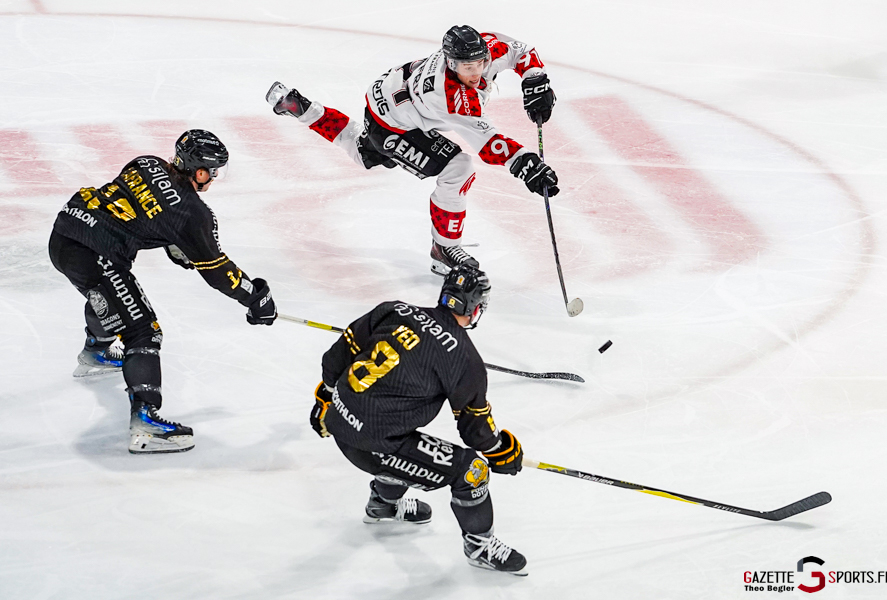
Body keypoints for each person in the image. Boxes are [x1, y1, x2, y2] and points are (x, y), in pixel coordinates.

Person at [49, 130, 277, 454]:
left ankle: (96, 351)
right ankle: (145, 422)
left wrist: (174, 242)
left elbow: (147, 210)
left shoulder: (147, 163)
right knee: (143, 329)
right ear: (200, 172)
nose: (213, 179)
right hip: (92, 253)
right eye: (213, 172)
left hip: (64, 232)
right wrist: (257, 297)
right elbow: (219, 273)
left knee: (109, 294)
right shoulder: (193, 213)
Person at [266, 24, 559, 276]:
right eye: (466, 68)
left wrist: (534, 78)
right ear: (451, 63)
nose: (476, 72)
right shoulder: (450, 97)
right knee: (458, 169)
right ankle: (445, 249)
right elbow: (488, 144)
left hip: (390, 93)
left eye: (480, 63)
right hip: (392, 124)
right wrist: (526, 165)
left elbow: (521, 51)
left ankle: (301, 108)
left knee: (363, 151)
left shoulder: (484, 50)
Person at [309, 264, 527, 575]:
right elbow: (475, 431)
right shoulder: (465, 359)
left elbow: (336, 357)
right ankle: (479, 546)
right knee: (472, 471)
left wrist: (324, 400)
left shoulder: (394, 309)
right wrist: (501, 450)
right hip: (372, 443)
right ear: (476, 307)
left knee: (406, 442)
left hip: (337, 422)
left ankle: (384, 504)